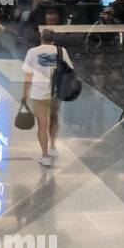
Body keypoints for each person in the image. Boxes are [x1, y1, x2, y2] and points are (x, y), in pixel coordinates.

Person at [21, 27, 71, 167]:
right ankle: (53, 146)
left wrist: (24, 94)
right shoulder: (61, 51)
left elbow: (28, 75)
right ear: (53, 39)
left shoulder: (32, 52)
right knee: (54, 118)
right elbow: (69, 71)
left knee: (42, 125)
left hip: (38, 94)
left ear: (41, 38)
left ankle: (45, 156)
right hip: (56, 93)